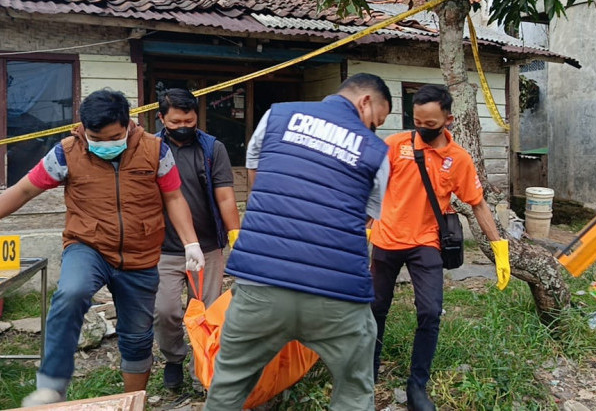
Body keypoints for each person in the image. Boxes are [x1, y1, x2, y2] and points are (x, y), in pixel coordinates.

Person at [204, 73, 392, 411]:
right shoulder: (376, 150)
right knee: (354, 390)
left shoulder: (277, 115)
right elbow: (364, 218)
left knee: (228, 385)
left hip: (260, 281)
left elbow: (258, 179)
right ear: (365, 102)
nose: (373, 130)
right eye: (376, 121)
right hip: (336, 293)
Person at [0, 89, 200, 407]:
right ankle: (51, 386)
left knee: (136, 336)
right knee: (71, 293)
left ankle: (132, 400)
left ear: (128, 125)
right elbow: (23, 190)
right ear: (84, 129)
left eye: (113, 137)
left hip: (141, 254)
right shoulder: (67, 152)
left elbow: (174, 197)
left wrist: (191, 242)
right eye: (96, 138)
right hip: (88, 245)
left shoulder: (156, 151)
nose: (105, 145)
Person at [369, 84, 510, 411]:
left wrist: (499, 248)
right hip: (386, 240)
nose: (422, 130)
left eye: (430, 125)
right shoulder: (395, 145)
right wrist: (362, 231)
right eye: (417, 121)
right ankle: (368, 372)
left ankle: (418, 385)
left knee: (430, 312)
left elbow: (478, 204)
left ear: (448, 119)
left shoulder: (458, 159)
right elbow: (370, 186)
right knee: (375, 308)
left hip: (426, 243)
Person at [153, 88, 241, 390]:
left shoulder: (211, 148)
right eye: (175, 121)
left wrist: (235, 235)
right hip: (164, 248)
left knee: (207, 312)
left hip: (208, 246)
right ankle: (174, 359)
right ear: (162, 118)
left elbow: (226, 196)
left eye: (189, 120)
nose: (183, 127)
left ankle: (201, 370)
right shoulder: (151, 149)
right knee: (165, 311)